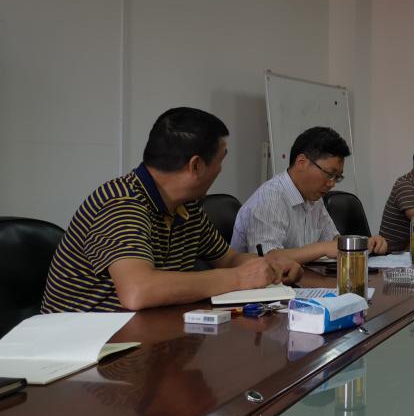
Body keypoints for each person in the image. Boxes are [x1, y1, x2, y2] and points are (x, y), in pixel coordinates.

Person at [42, 108, 302, 313]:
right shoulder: (120, 203)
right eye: (220, 160)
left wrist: (269, 265)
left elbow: (228, 259)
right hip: (82, 349)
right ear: (196, 166)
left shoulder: (187, 207)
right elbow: (138, 291)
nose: (220, 170)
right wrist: (238, 279)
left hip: (147, 335)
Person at [232, 127, 387, 263]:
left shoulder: (313, 197)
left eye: (337, 177)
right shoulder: (269, 199)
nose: (332, 183)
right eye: (329, 174)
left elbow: (333, 241)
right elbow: (267, 259)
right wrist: (322, 248)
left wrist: (365, 243)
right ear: (301, 162)